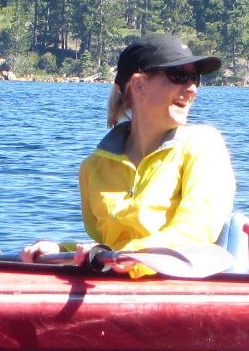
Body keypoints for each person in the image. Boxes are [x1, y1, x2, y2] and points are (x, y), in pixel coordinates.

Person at [23, 33, 236, 269]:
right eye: (179, 76)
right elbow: (106, 246)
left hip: (177, 285)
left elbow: (196, 232)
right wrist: (62, 251)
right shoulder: (92, 168)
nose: (192, 88)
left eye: (195, 78)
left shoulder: (203, 144)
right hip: (120, 284)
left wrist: (127, 255)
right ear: (139, 85)